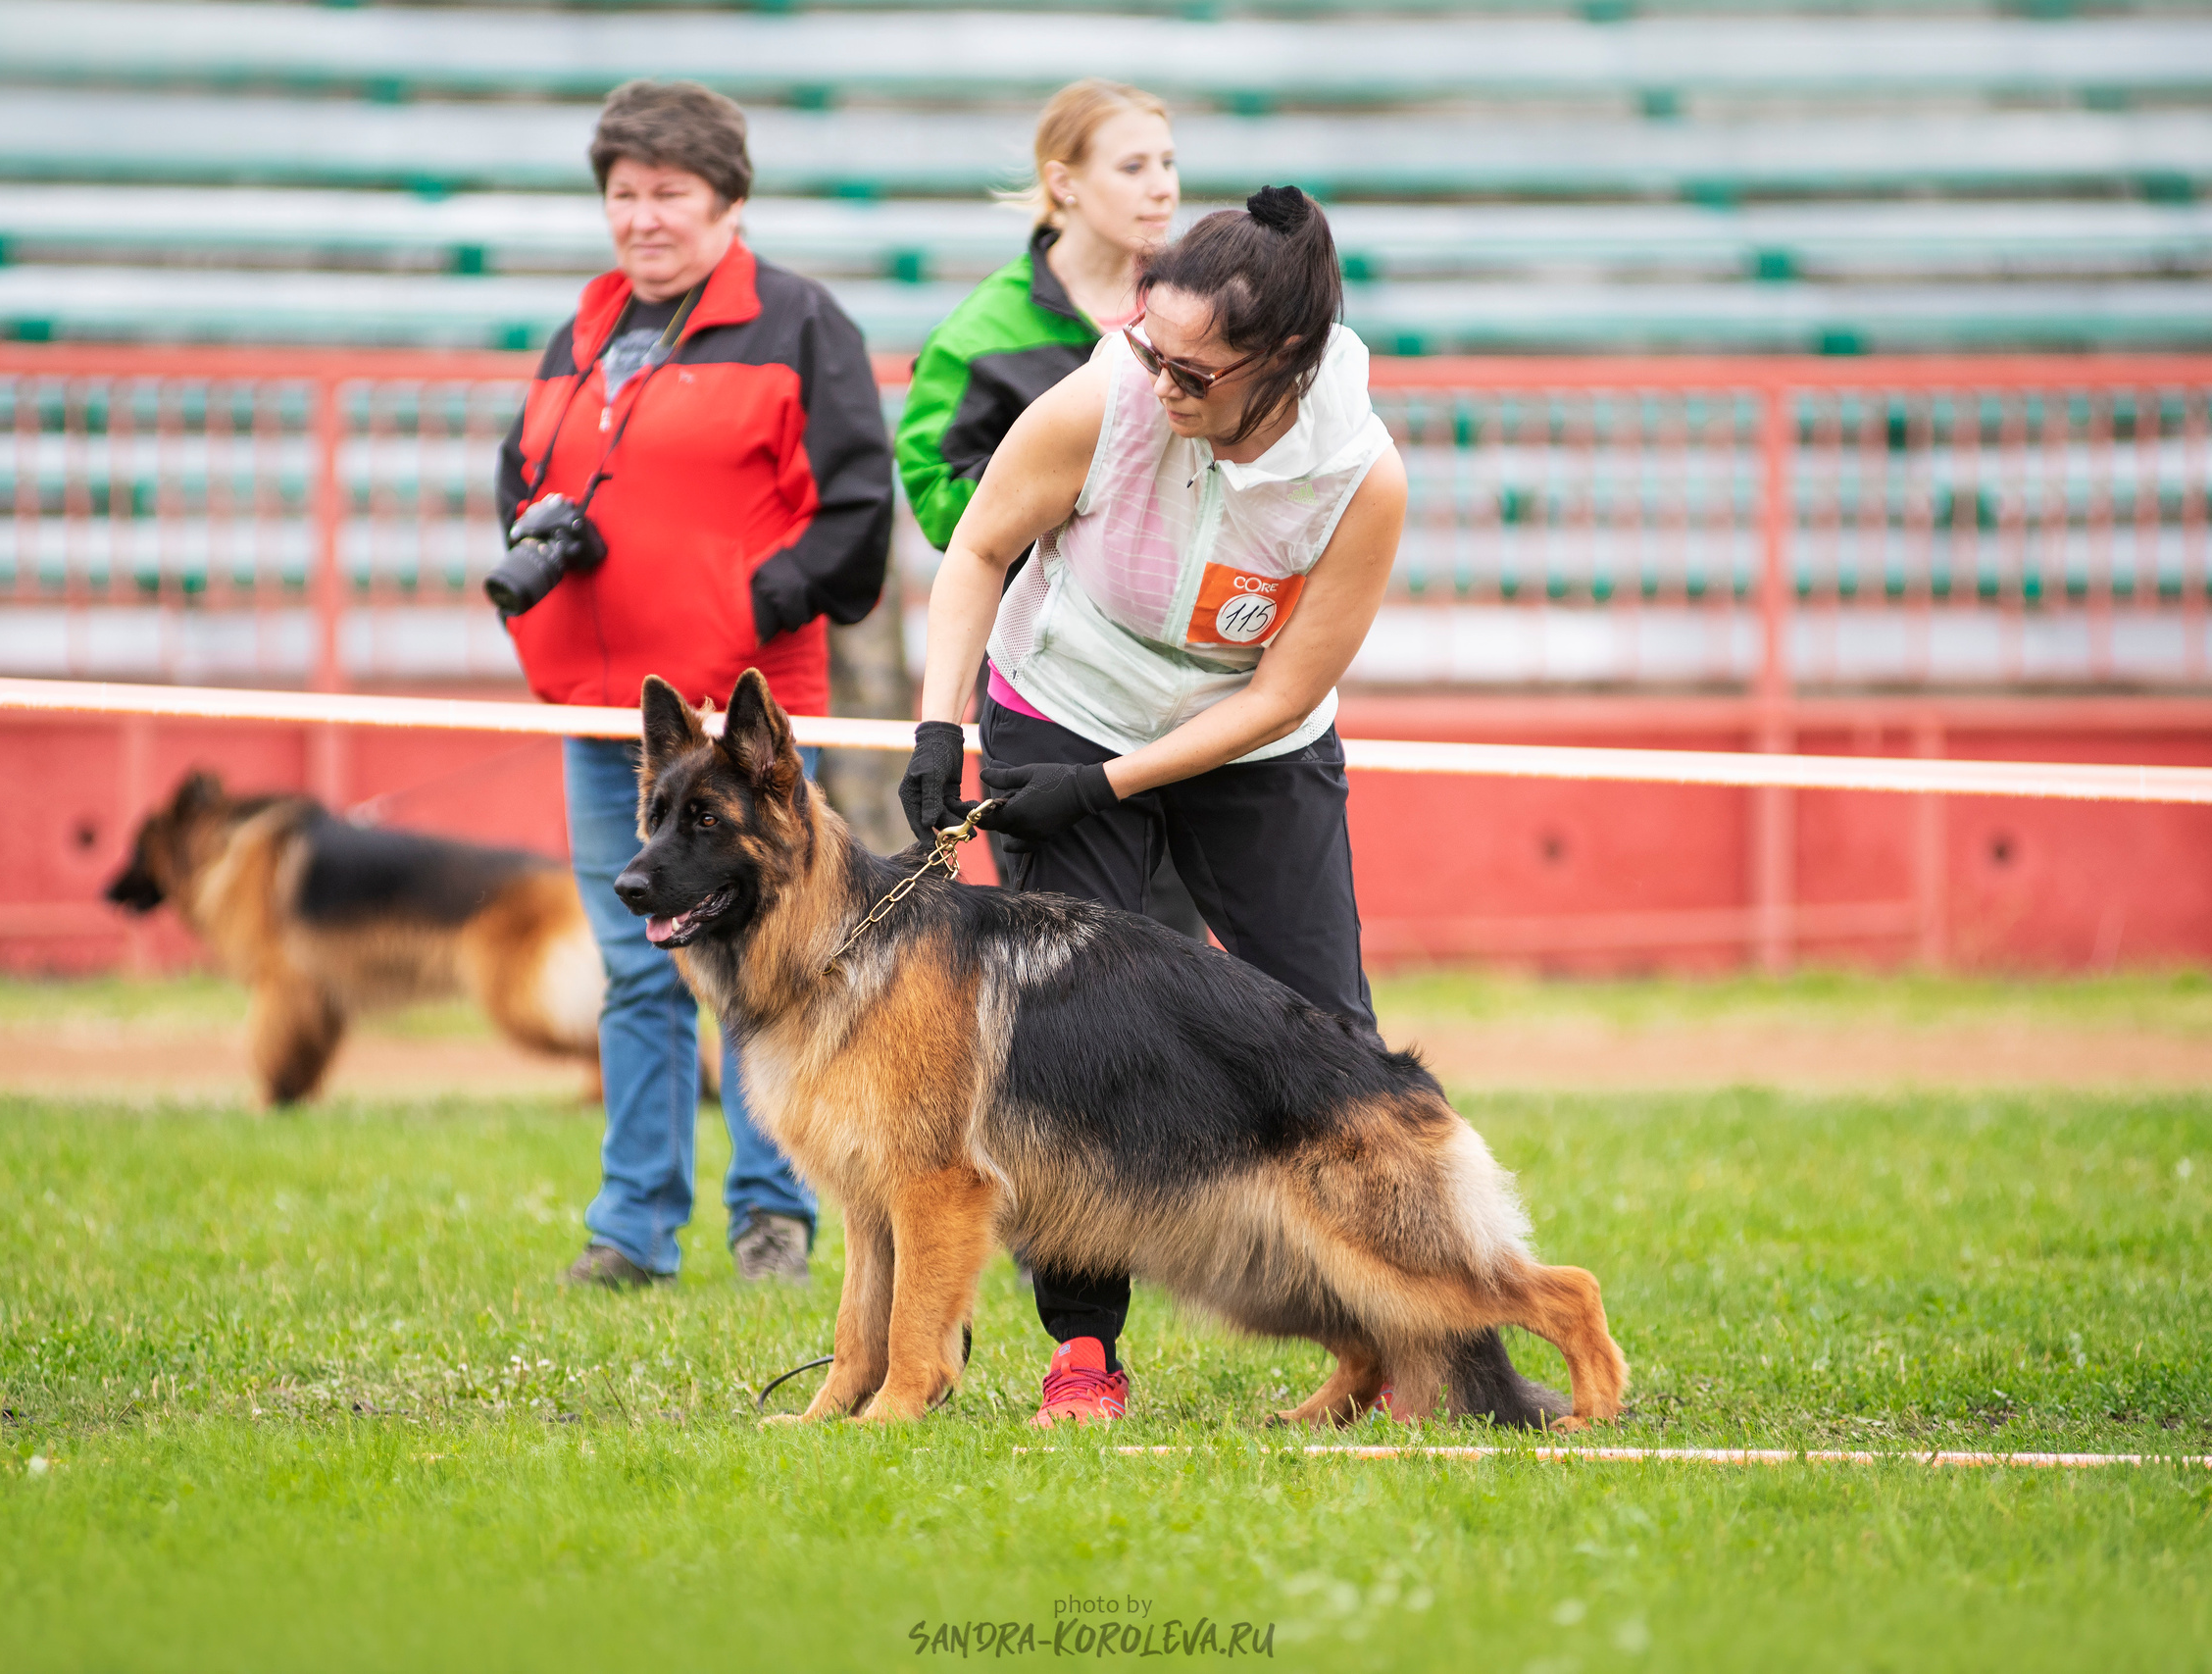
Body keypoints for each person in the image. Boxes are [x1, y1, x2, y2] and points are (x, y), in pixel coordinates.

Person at [898, 186, 1547, 1427]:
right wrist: (942, 726)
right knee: (1061, 1050)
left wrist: (1107, 787)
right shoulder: (1106, 397)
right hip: (1062, 701)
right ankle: (1083, 1353)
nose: (1161, 381)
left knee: (1334, 1036)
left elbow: (1284, 691)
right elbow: (977, 549)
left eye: (1193, 369)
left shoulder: (1359, 477)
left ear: (1283, 364)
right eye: (1151, 346)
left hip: (1251, 736)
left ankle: (1427, 1344)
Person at [493, 79, 893, 1291]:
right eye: (622, 194)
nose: (642, 218)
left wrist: (741, 613)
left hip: (745, 735)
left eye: (668, 192)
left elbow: (858, 513)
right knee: (635, 966)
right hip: (610, 721)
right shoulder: (579, 333)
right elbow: (520, 481)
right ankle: (631, 1228)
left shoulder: (798, 322)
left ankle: (775, 1217)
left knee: (768, 967)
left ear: (726, 199)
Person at [894, 76, 1206, 941]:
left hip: (1190, 686)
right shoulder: (980, 332)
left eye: (1170, 163)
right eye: (1134, 165)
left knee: (1190, 958)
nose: (1163, 187)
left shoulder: (1202, 313)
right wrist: (1060, 506)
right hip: (1047, 690)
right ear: (1063, 181)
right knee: (1078, 956)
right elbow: (937, 499)